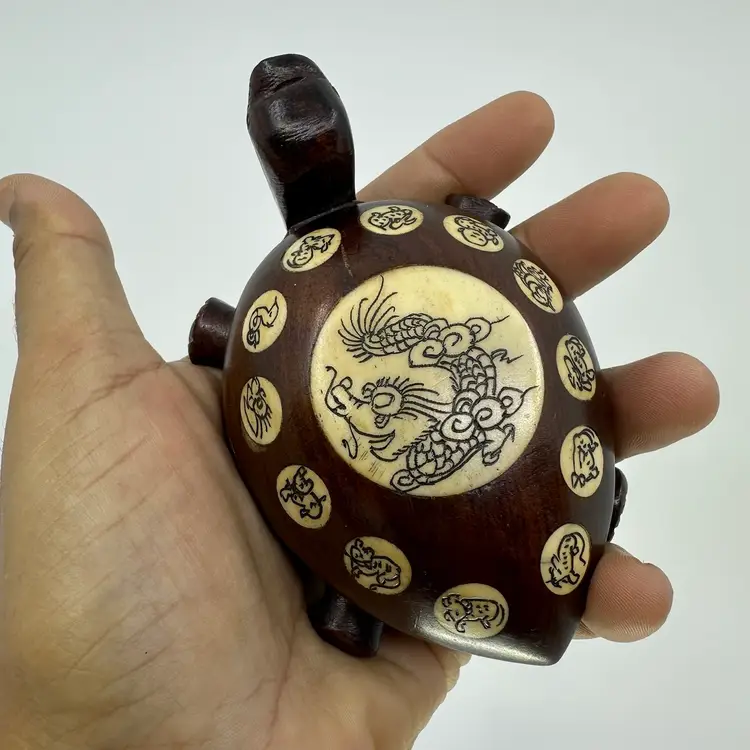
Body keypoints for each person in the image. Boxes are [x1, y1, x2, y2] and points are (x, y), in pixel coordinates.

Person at [0, 90, 719, 749]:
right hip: (487, 550)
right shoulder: (408, 245)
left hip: (486, 551)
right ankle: (386, 595)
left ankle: (361, 611)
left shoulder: (264, 316)